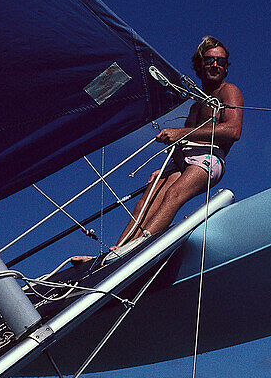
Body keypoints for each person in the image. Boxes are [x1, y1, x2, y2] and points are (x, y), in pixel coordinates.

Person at [72, 36, 242, 264]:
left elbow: (233, 130)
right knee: (148, 198)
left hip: (208, 158)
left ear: (226, 67)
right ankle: (115, 252)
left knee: (173, 195)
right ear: (200, 64)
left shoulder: (228, 91)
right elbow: (187, 140)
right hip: (181, 158)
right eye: (210, 60)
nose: (215, 65)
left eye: (221, 62)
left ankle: (138, 250)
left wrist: (179, 133)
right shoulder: (195, 104)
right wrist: (167, 166)